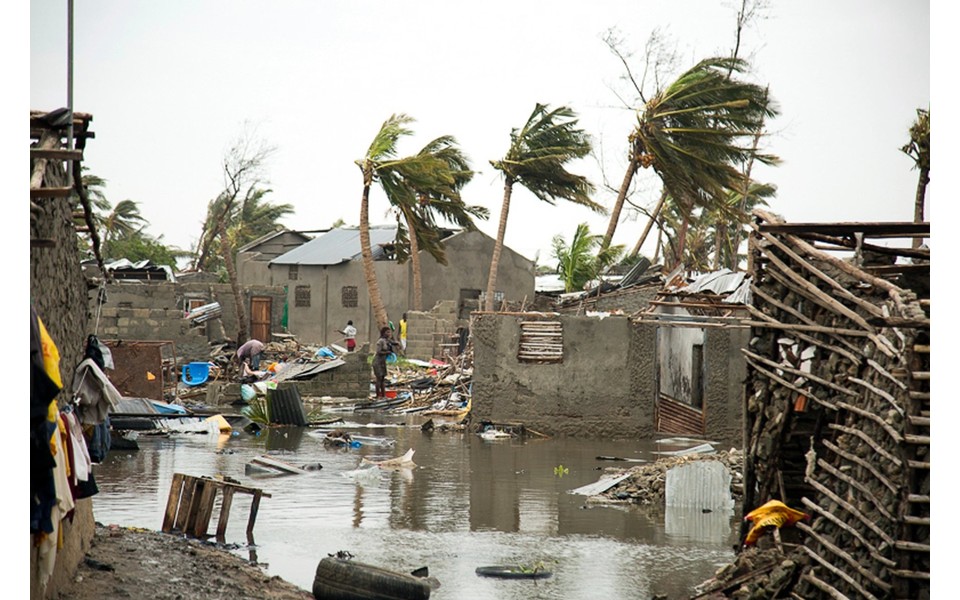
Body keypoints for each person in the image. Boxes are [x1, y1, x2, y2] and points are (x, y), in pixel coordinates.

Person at [372, 326, 395, 399]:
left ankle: (383, 395)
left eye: (389, 332)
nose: (389, 334)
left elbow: (393, 343)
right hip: (377, 362)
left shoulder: (387, 341)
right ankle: (377, 395)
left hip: (382, 362)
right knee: (378, 379)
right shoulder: (380, 341)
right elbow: (379, 351)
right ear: (383, 333)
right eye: (387, 332)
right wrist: (387, 352)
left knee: (382, 379)